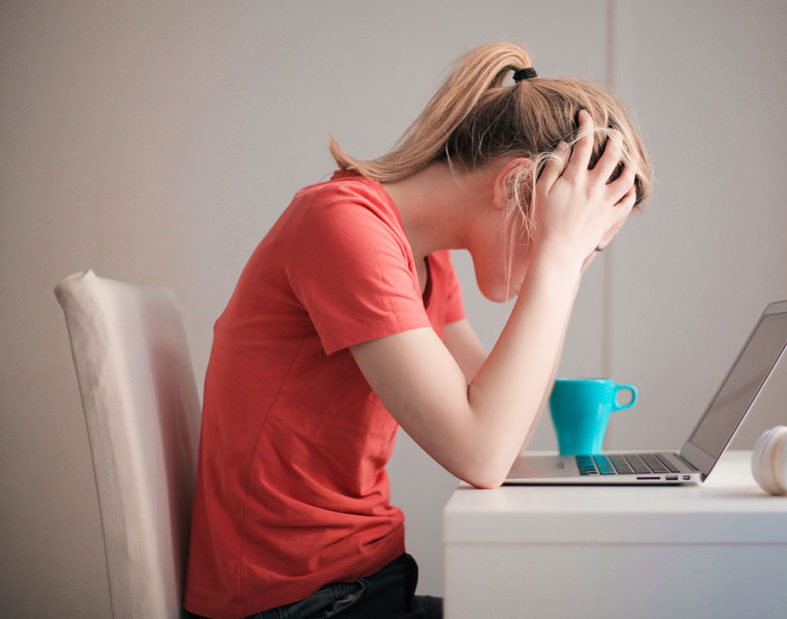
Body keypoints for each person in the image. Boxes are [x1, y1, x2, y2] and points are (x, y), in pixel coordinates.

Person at [183, 42, 652, 619]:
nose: (575, 256)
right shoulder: (343, 227)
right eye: (578, 235)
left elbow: (505, 432)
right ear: (512, 188)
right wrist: (556, 262)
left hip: (359, 585)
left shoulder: (425, 260)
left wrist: (563, 262)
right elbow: (482, 453)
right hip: (294, 604)